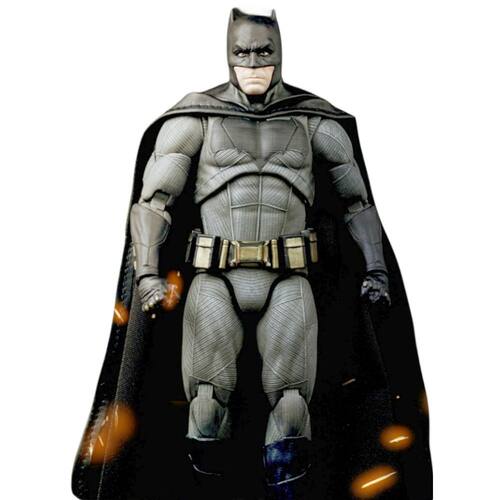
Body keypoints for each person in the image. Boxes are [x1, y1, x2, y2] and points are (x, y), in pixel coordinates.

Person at [129, 8, 389, 498]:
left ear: (280, 53)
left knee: (292, 409)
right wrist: (146, 275)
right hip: (215, 280)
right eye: (242, 52)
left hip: (289, 281)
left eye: (262, 51)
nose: (252, 62)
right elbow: (153, 203)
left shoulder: (313, 120)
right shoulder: (196, 118)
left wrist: (376, 268)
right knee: (205, 408)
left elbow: (357, 203)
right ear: (228, 54)